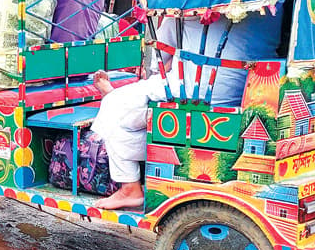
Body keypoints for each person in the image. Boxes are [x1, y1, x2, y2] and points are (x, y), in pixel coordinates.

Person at [89, 11, 283, 210]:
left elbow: (160, 61)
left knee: (113, 105)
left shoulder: (188, 7)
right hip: (250, 94)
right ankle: (129, 104)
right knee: (132, 106)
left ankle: (129, 186)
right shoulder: (276, 6)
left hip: (198, 94)